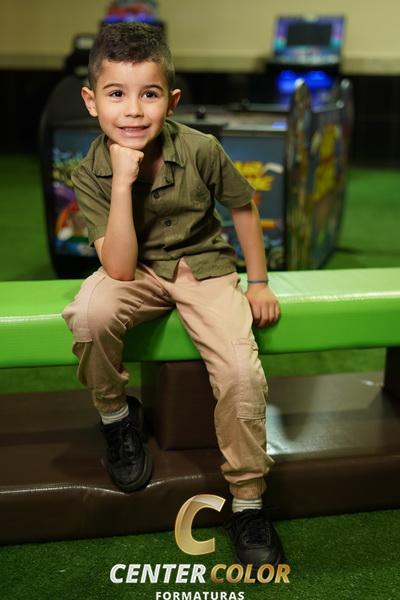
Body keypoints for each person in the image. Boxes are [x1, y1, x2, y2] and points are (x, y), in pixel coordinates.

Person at [62, 22, 284, 568]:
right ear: (92, 101)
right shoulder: (89, 171)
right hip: (135, 269)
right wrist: (121, 181)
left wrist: (257, 282)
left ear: (172, 100)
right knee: (88, 313)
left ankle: (248, 503)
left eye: (150, 94)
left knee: (241, 373)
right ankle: (117, 418)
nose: (133, 111)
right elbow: (117, 268)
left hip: (202, 269)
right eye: (117, 94)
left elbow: (242, 206)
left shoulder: (201, 148)